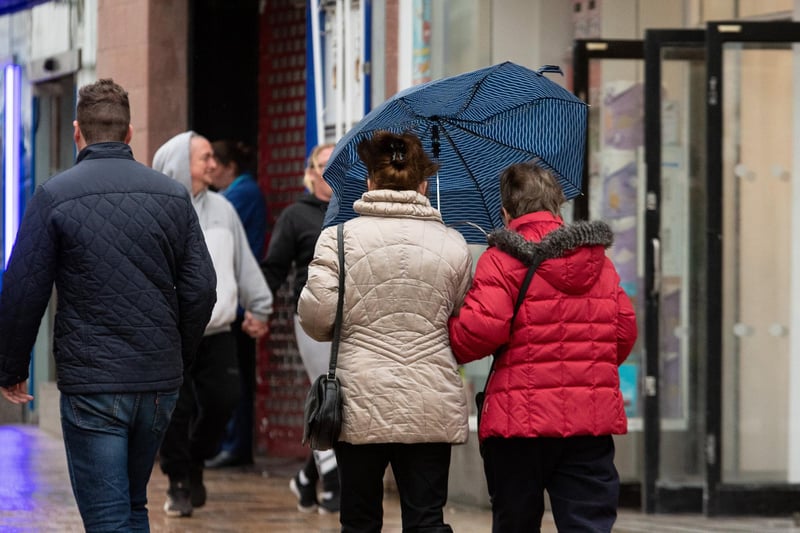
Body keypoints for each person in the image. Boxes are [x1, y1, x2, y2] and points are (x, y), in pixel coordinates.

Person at [0, 79, 217, 532]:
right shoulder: (173, 196)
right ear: (130, 133)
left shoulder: (54, 195)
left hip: (92, 383)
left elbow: (24, 289)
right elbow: (201, 289)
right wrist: (178, 356)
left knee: (107, 518)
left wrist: (11, 366)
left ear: (77, 131)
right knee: (133, 507)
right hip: (157, 382)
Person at [297, 131, 473, 532]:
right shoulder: (455, 244)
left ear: (370, 182)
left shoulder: (337, 239)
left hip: (359, 401)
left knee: (359, 519)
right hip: (430, 400)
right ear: (424, 185)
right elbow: (465, 326)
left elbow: (317, 321)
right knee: (427, 518)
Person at [447, 161, 638, 533]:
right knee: (589, 524)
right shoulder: (598, 261)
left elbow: (477, 335)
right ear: (557, 205)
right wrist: (586, 370)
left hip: (518, 423)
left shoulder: (500, 261)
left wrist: (453, 320)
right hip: (590, 421)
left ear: (506, 211)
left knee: (516, 522)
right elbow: (624, 332)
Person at [152, 131, 274, 518]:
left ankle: (194, 458)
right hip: (171, 332)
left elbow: (243, 265)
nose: (213, 164)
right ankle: (179, 482)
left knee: (225, 400)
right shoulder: (158, 210)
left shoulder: (225, 209)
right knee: (177, 410)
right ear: (178, 163)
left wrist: (261, 307)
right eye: (204, 157)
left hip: (218, 330)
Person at [260, 142, 342, 514]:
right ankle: (334, 481)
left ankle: (306, 478)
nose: (330, 171)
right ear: (310, 174)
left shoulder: (354, 211)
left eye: (337, 163)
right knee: (323, 392)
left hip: (351, 319)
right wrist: (258, 311)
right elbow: (274, 268)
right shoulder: (296, 216)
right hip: (309, 318)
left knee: (346, 399)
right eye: (323, 165)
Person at [205, 139, 268, 469]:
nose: (210, 168)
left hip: (239, 303)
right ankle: (230, 443)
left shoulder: (238, 196)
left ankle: (236, 444)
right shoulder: (239, 193)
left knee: (236, 378)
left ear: (230, 167)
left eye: (214, 161)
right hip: (235, 301)